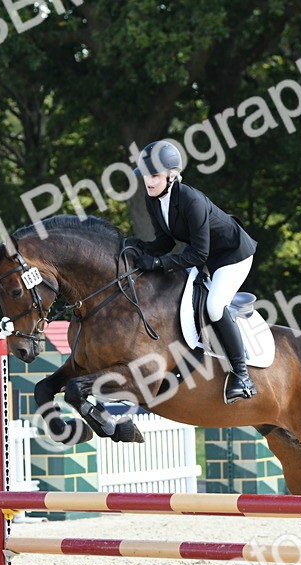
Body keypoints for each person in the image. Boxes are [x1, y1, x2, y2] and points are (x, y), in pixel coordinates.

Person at [130, 141, 258, 403]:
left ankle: (242, 375)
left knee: (214, 306)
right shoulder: (153, 199)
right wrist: (134, 248)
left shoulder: (191, 199)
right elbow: (164, 242)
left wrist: (156, 264)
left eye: (154, 175)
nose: (149, 182)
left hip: (233, 255)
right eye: (145, 176)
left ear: (172, 175)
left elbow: (198, 254)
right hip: (206, 257)